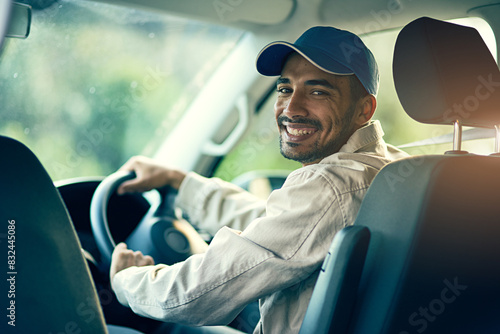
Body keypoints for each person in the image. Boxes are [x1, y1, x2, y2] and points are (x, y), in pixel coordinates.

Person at [109, 26, 408, 333]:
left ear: (364, 110)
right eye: (285, 89)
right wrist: (180, 182)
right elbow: (278, 227)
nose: (291, 108)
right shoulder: (397, 169)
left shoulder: (332, 185)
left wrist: (127, 280)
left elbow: (198, 296)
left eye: (318, 92)